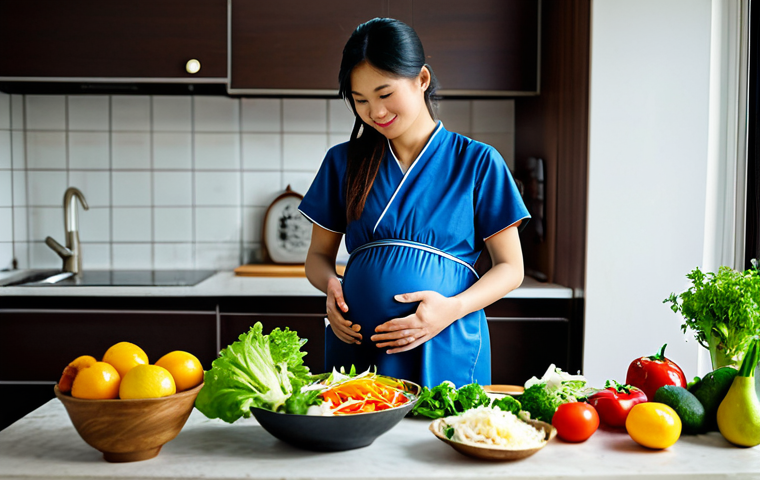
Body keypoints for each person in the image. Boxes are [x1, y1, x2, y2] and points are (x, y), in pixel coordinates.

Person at [298, 18, 529, 388]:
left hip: (445, 340)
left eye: (385, 94)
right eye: (360, 101)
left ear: (422, 79)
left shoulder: (478, 161)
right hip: (358, 346)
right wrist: (330, 287)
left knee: (440, 438)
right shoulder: (343, 162)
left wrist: (450, 310)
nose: (375, 112)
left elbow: (510, 268)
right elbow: (317, 258)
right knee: (355, 438)